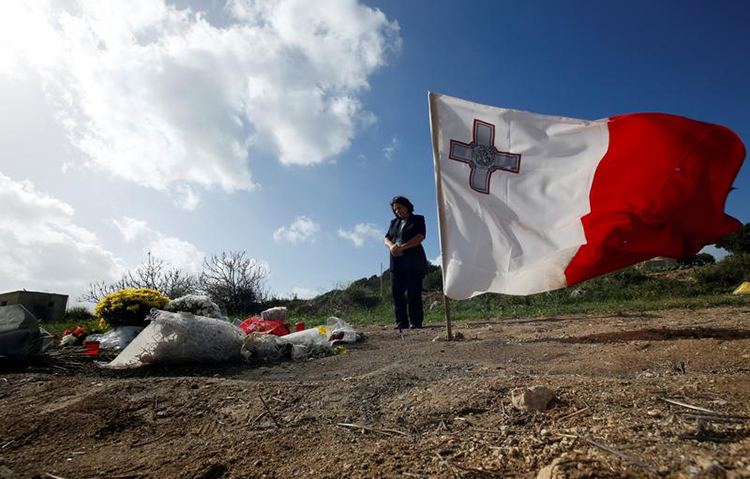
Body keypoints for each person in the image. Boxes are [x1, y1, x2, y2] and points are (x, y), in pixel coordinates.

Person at [384, 196, 428, 330]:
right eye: (395, 209)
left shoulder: (418, 219)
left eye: (400, 208)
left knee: (413, 291)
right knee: (397, 291)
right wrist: (391, 246)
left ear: (407, 206)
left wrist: (402, 247)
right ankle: (401, 322)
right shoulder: (393, 223)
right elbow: (386, 237)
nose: (398, 211)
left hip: (414, 261)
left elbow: (420, 237)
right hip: (397, 262)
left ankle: (415, 321)